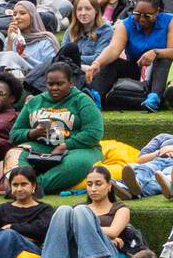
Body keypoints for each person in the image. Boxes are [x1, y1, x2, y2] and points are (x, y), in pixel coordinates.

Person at [6, 62, 104, 193]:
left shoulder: (83, 101)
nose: (54, 88)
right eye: (50, 84)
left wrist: (65, 145)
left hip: (78, 149)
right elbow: (14, 134)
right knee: (13, 154)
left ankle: (33, 187)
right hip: (42, 147)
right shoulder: (34, 102)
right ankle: (22, 184)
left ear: (70, 83)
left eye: (59, 84)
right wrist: (32, 133)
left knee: (78, 164)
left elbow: (94, 133)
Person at [84, 0, 173, 112]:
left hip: (159, 73)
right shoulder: (125, 25)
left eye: (147, 15)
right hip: (136, 69)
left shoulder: (170, 20)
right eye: (137, 14)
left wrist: (156, 52)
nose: (141, 19)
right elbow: (113, 49)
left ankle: (154, 98)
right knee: (111, 62)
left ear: (157, 11)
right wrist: (97, 63)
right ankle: (95, 97)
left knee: (164, 59)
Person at [38, 165, 133, 258]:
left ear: (109, 186)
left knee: (82, 210)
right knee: (63, 209)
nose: (93, 189)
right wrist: (81, 229)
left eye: (98, 184)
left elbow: (114, 232)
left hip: (105, 249)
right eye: (89, 184)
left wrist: (91, 229)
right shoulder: (77, 207)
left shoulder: (120, 208)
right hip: (77, 248)